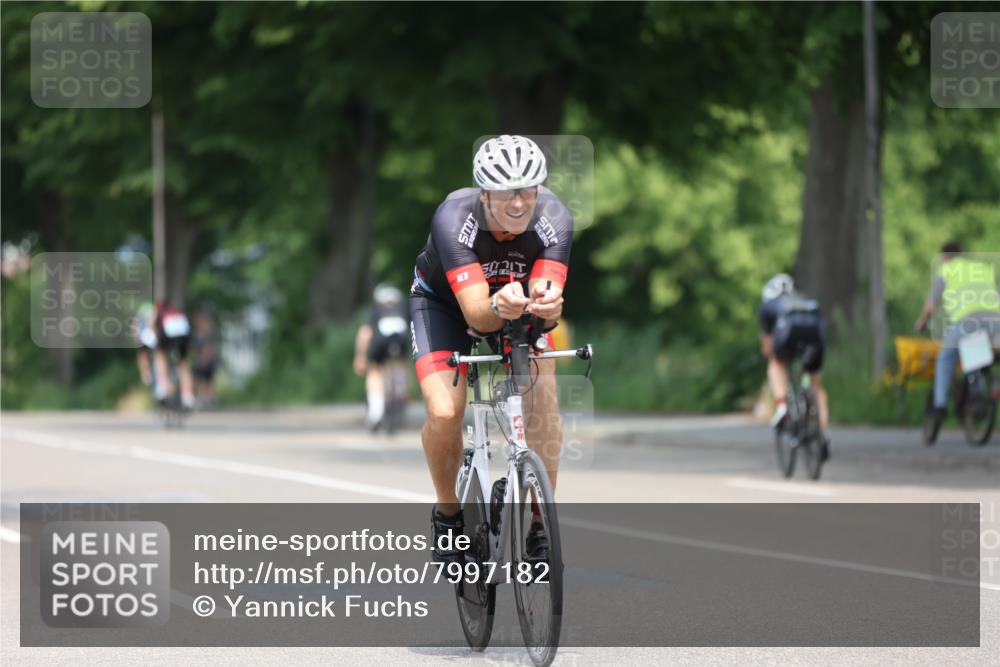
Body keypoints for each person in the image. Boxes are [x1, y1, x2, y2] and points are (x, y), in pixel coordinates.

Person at [410, 134, 571, 564]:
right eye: (505, 194)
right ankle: (448, 515)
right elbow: (479, 315)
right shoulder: (453, 218)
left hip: (512, 305)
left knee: (543, 397)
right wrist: (500, 305)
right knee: (445, 411)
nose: (518, 204)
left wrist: (548, 304)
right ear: (484, 194)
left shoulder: (554, 217)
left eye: (527, 191)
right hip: (445, 306)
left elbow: (544, 296)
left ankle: (539, 527)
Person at [914, 242, 1000, 426]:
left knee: (945, 359)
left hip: (967, 321)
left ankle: (940, 406)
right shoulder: (981, 268)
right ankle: (978, 394)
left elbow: (931, 306)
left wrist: (921, 323)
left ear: (944, 258)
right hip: (995, 321)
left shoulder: (946, 270)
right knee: (975, 350)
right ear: (961, 254)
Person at [758, 273, 830, 460]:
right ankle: (822, 433)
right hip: (815, 334)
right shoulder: (806, 299)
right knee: (816, 384)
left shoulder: (768, 305)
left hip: (788, 329)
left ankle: (782, 406)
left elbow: (767, 346)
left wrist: (773, 354)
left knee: (776, 363)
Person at [353, 283, 410, 430]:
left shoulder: (376, 310)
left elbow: (365, 333)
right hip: (401, 341)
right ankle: (399, 393)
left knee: (375, 372)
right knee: (400, 365)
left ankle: (375, 413)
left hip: (380, 342)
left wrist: (360, 357)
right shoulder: (404, 307)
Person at [153, 299, 196, 410]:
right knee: (183, 363)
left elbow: (156, 330)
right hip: (183, 337)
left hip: (167, 335)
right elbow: (189, 331)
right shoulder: (179, 314)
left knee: (160, 355)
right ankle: (188, 396)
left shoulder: (160, 314)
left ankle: (162, 387)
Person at [191, 310, 219, 409]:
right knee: (204, 381)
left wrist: (204, 360)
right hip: (201, 360)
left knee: (207, 381)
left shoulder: (208, 334)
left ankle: (209, 401)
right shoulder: (198, 333)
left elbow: (209, 348)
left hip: (207, 361)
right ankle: (204, 400)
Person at [133, 301, 157, 388]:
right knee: (143, 353)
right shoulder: (145, 312)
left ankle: (146, 374)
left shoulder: (144, 311)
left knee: (142, 354)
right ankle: (146, 374)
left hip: (148, 335)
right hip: (147, 335)